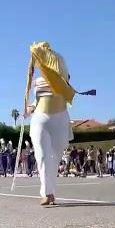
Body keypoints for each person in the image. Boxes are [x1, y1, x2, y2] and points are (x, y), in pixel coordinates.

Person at [25, 41, 75, 206]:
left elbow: (64, 77)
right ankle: (47, 193)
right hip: (40, 119)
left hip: (60, 119)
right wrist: (29, 108)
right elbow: (35, 99)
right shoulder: (38, 81)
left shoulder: (63, 76)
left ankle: (50, 191)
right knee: (43, 156)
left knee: (55, 157)